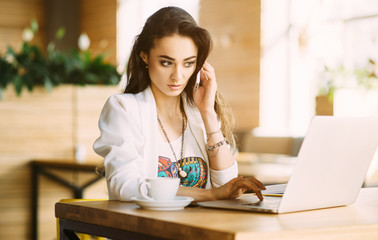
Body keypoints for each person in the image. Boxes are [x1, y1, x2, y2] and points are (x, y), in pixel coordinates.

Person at [93, 6, 265, 202]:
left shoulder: (198, 111)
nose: (178, 76)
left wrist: (208, 114)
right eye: (166, 62)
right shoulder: (123, 108)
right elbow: (125, 186)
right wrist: (210, 194)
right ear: (145, 57)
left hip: (202, 229)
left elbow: (227, 185)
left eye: (188, 63)